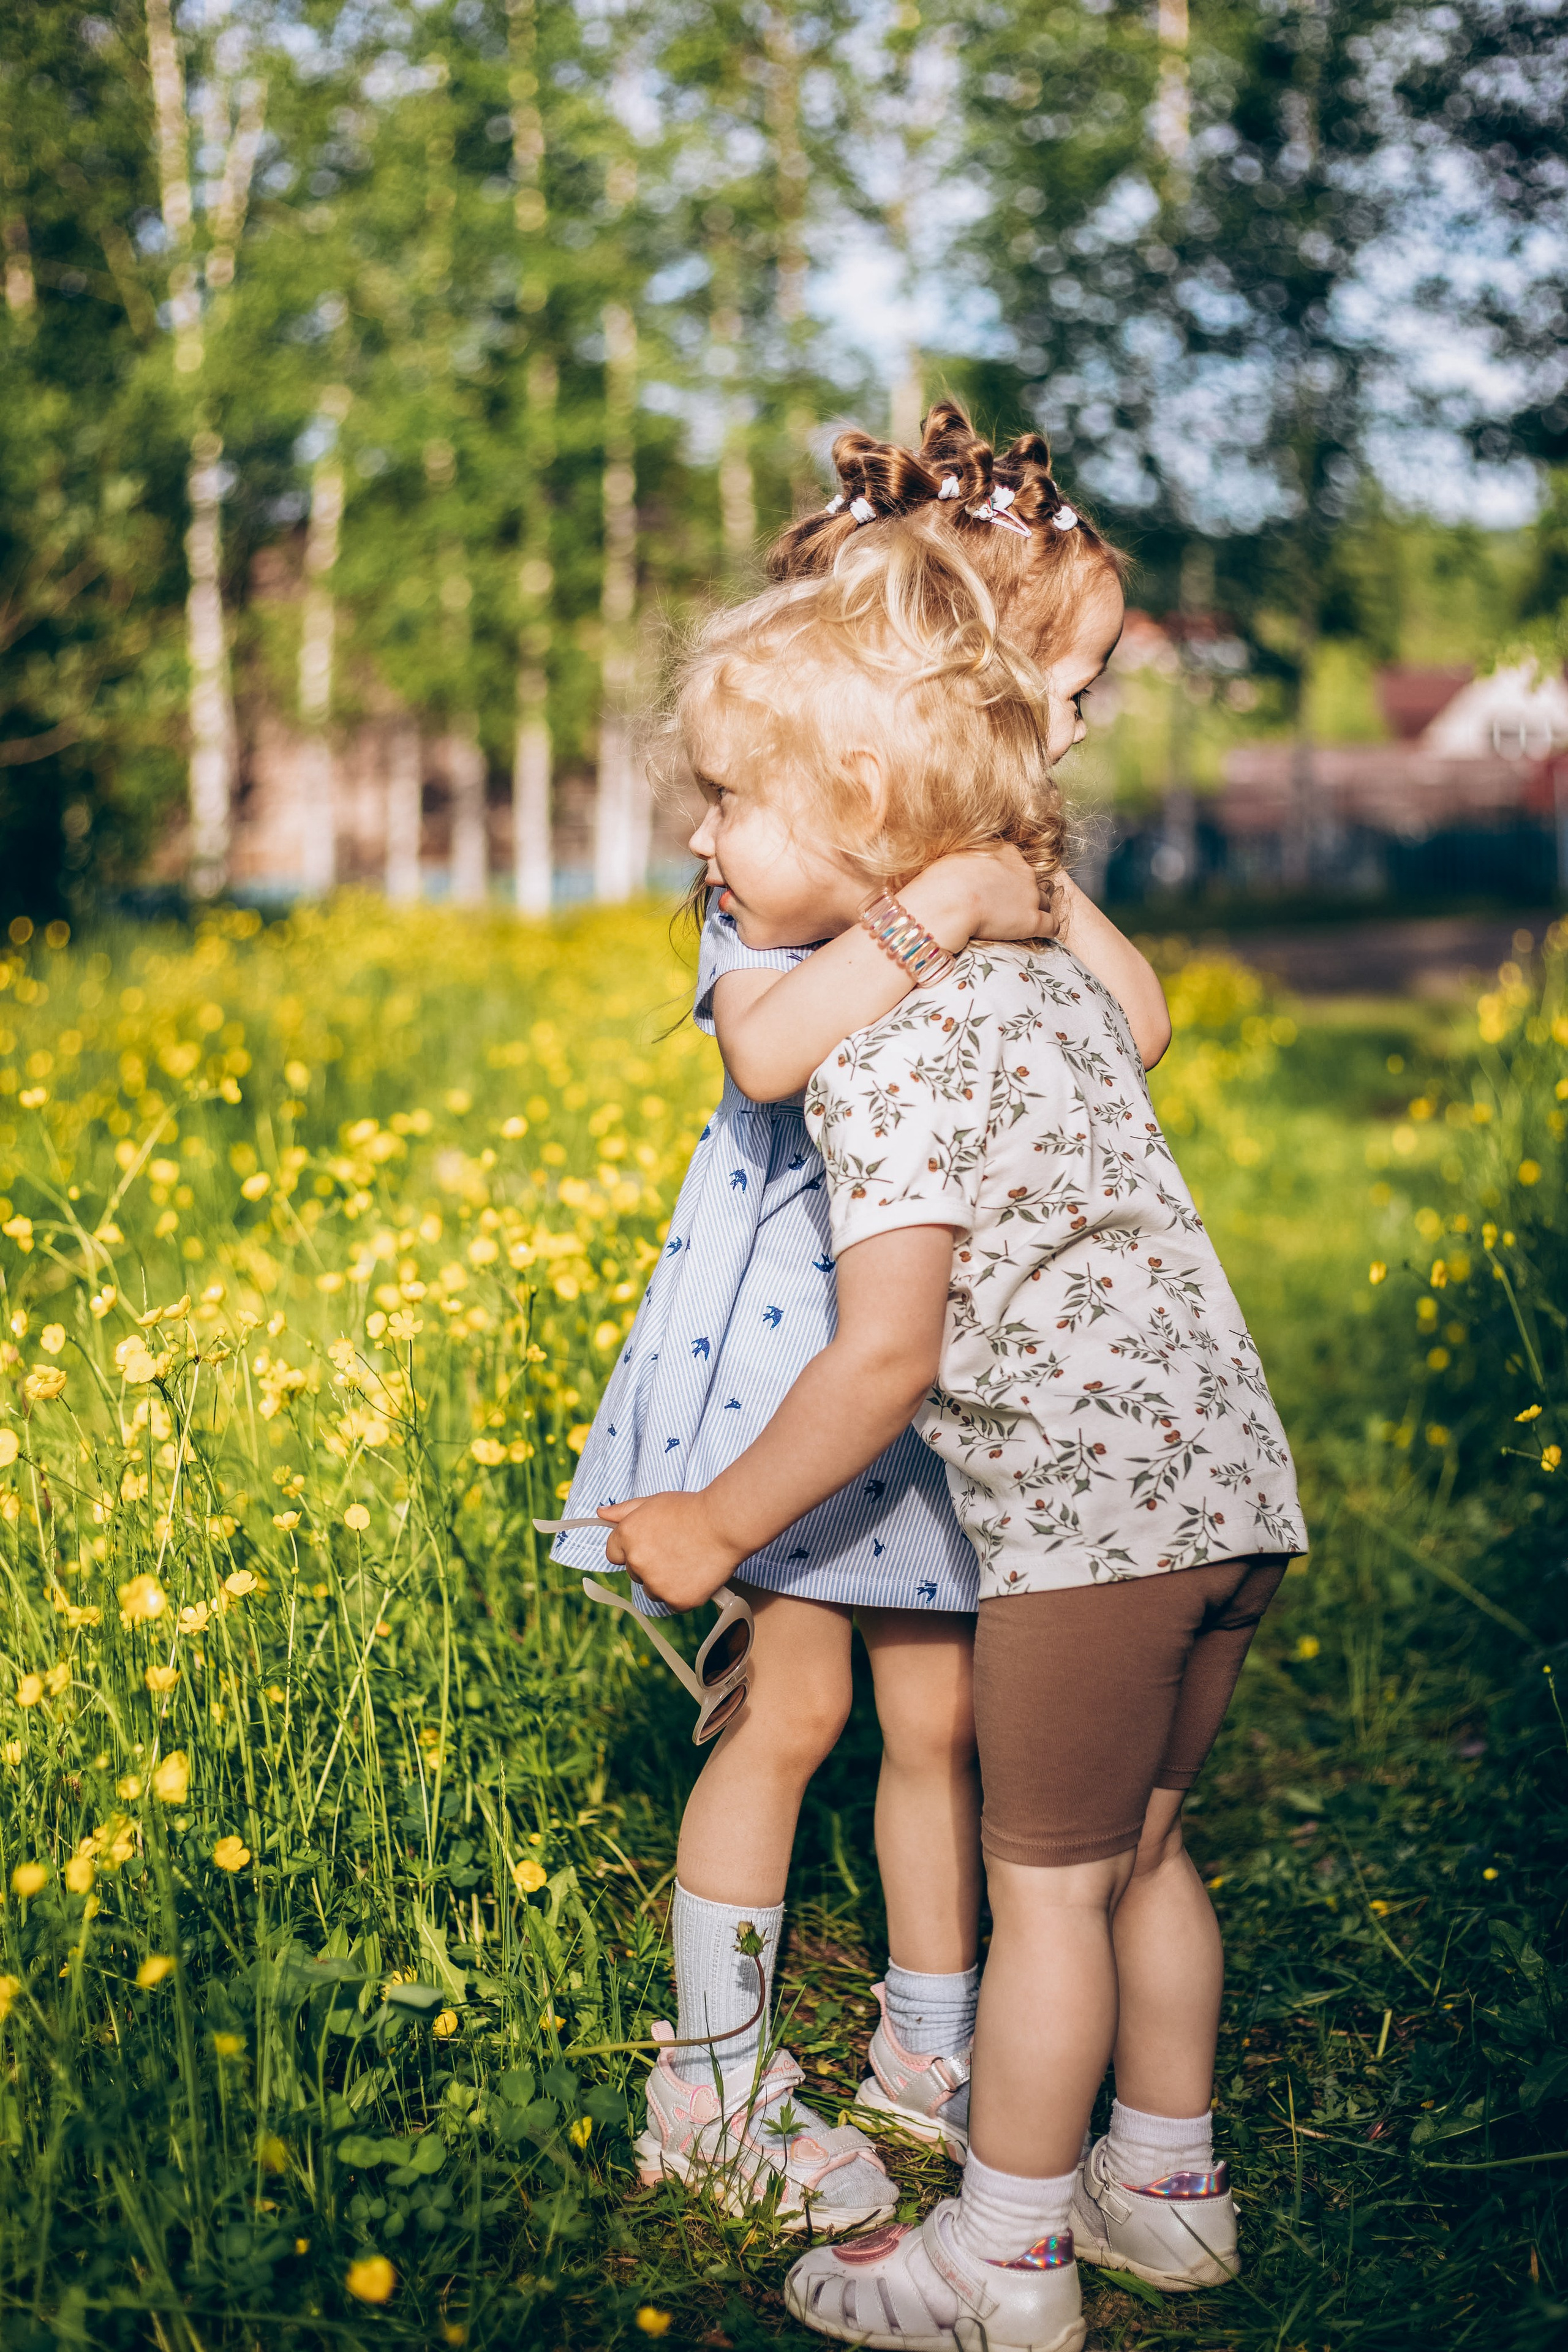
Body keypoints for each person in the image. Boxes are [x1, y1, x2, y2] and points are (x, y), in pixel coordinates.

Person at [602, 427, 1305, 2348]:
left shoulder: (979, 918)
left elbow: (1136, 1024)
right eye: (1055, 685)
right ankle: (723, 2073)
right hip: (798, 1349)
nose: (1068, 724)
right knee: (813, 1709)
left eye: (1074, 693)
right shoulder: (794, 877)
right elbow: (768, 1054)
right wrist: (944, 906)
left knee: (966, 1754)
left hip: (929, 1372)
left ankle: (969, 2134)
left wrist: (1014, 880)